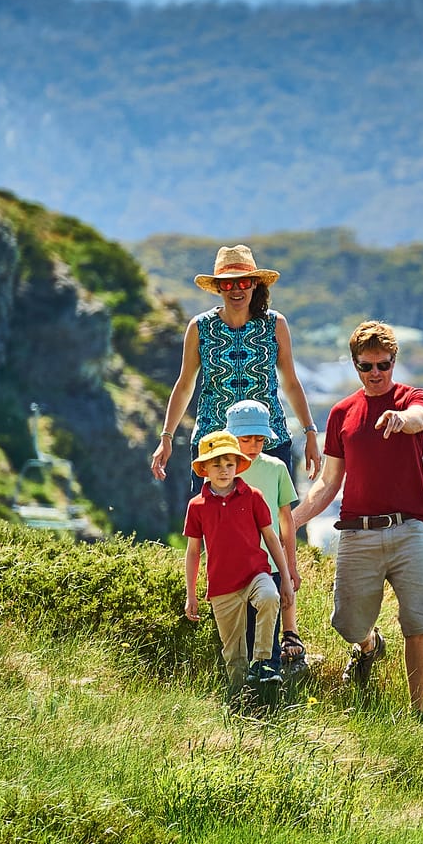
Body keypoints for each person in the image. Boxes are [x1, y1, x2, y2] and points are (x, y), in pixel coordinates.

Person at [292, 321, 423, 713]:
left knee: (420, 622)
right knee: (347, 624)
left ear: (394, 361)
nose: (375, 373)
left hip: (410, 530)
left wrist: (400, 419)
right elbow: (327, 483)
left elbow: (418, 419)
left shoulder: (414, 397)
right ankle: (370, 646)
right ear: (355, 365)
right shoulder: (342, 413)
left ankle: (418, 712)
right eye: (366, 366)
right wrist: (290, 522)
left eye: (383, 365)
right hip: (358, 533)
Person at [151, 245, 322, 496]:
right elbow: (185, 384)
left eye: (243, 282)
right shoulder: (200, 327)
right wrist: (166, 437)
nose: (236, 290)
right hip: (215, 446)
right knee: (214, 526)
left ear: (254, 284)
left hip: (267, 441)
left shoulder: (275, 325)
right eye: (228, 284)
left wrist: (310, 433)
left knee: (272, 523)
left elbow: (291, 383)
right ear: (219, 288)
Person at [182, 430, 293, 699]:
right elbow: (193, 552)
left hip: (257, 573)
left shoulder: (253, 496)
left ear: (237, 466)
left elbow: (271, 537)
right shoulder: (197, 506)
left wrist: (286, 579)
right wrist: (191, 594)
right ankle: (242, 702)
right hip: (222, 586)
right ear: (204, 468)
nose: (224, 470)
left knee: (269, 596)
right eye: (216, 464)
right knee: (233, 656)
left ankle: (263, 662)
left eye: (229, 463)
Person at [227, 398, 306, 670]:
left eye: (259, 439)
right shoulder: (220, 472)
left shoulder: (276, 468)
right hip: (232, 568)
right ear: (231, 436)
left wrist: (290, 568)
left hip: (270, 565)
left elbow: (286, 520)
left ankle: (268, 694)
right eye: (245, 439)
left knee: (267, 639)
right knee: (236, 641)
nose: (252, 446)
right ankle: (240, 695)